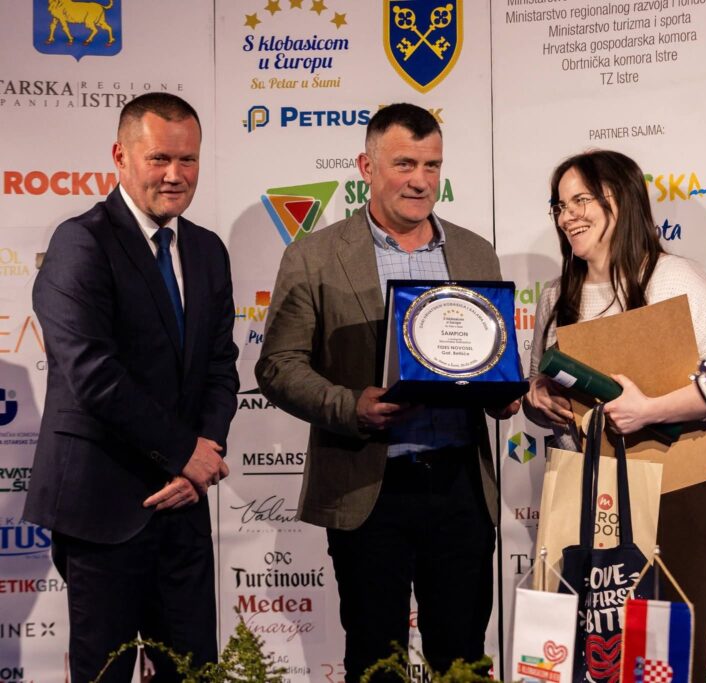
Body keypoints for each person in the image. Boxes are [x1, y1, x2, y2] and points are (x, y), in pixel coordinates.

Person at [255, 103, 519, 681]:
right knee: (377, 663)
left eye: (432, 165)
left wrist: (500, 392)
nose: (420, 180)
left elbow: (487, 356)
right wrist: (352, 406)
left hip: (460, 486)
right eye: (404, 164)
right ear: (366, 168)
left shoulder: (475, 251)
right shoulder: (314, 255)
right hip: (367, 487)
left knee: (463, 661)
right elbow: (277, 366)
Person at [25, 93, 239, 682]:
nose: (175, 174)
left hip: (185, 505)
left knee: (194, 672)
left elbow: (221, 366)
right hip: (103, 507)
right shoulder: (80, 242)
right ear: (121, 157)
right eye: (159, 158)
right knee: (106, 675)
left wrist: (203, 458)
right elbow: (93, 374)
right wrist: (185, 453)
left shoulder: (207, 250)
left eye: (188, 159)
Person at [524, 149, 706, 680]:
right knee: (590, 656)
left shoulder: (674, 278)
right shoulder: (558, 295)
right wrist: (539, 399)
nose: (567, 216)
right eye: (560, 205)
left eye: (581, 201)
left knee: (668, 656)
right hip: (588, 497)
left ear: (620, 201)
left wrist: (651, 410)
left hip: (677, 490)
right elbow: (540, 386)